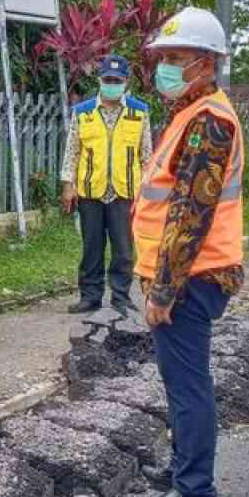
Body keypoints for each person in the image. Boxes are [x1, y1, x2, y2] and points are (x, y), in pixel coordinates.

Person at [130, 7, 246, 497]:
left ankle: (195, 489)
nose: (165, 69)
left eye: (176, 59)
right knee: (181, 380)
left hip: (190, 278)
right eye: (163, 59)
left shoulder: (209, 122)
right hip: (185, 275)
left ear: (206, 63)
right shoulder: (189, 115)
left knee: (187, 383)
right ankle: (184, 468)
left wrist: (163, 290)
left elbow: (191, 213)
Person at [59, 54, 152, 316]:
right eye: (107, 79)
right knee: (92, 248)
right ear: (100, 80)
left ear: (125, 81)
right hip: (91, 191)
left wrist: (145, 190)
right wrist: (68, 185)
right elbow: (72, 152)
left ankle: (121, 297)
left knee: (123, 249)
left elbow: (147, 155)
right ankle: (90, 296)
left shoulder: (139, 111)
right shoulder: (83, 112)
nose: (112, 84)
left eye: (117, 80)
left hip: (125, 192)